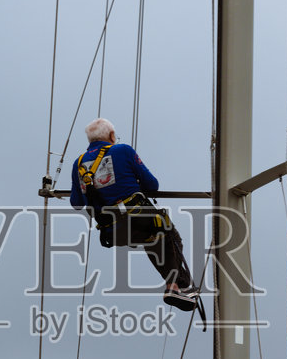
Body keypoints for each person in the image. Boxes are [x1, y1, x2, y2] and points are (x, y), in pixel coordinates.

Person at [69, 118, 199, 310]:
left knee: (153, 237)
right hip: (136, 216)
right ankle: (178, 286)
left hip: (110, 229)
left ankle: (177, 287)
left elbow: (77, 203)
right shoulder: (123, 150)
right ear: (112, 136)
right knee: (166, 233)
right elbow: (152, 185)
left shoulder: (78, 163)